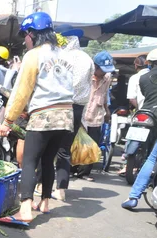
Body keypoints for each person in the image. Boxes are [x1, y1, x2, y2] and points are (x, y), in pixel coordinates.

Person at [0, 12, 74, 226]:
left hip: (44, 114)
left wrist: (7, 121)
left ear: (32, 34)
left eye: (25, 35)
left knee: (29, 160)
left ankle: (24, 211)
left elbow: (21, 91)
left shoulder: (34, 55)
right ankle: (45, 203)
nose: (25, 40)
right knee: (48, 160)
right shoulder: (65, 55)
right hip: (66, 115)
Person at [52, 28, 95, 201]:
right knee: (64, 150)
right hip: (77, 109)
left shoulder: (61, 57)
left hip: (60, 105)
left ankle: (41, 184)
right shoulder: (88, 59)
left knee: (48, 147)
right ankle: (61, 189)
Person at [122, 48, 157, 210]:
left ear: (150, 63)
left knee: (151, 158)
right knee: (153, 156)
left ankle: (133, 197)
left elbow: (145, 95)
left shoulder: (143, 78)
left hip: (148, 113)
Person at [77, 51, 115, 181]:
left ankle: (84, 172)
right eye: (102, 70)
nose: (104, 73)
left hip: (96, 115)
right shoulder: (86, 75)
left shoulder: (107, 78)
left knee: (92, 144)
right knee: (75, 143)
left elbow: (105, 95)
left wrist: (107, 110)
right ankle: (71, 168)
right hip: (82, 112)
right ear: (95, 67)